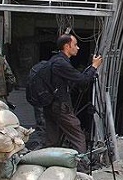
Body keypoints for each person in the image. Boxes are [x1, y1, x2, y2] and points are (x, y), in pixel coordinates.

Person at [43, 34, 102, 171]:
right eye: (75, 45)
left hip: (51, 105)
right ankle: (82, 168)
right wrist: (94, 66)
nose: (78, 47)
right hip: (60, 106)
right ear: (67, 46)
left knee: (53, 139)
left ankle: (48, 167)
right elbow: (82, 80)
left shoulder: (55, 60)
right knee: (77, 136)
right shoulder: (61, 63)